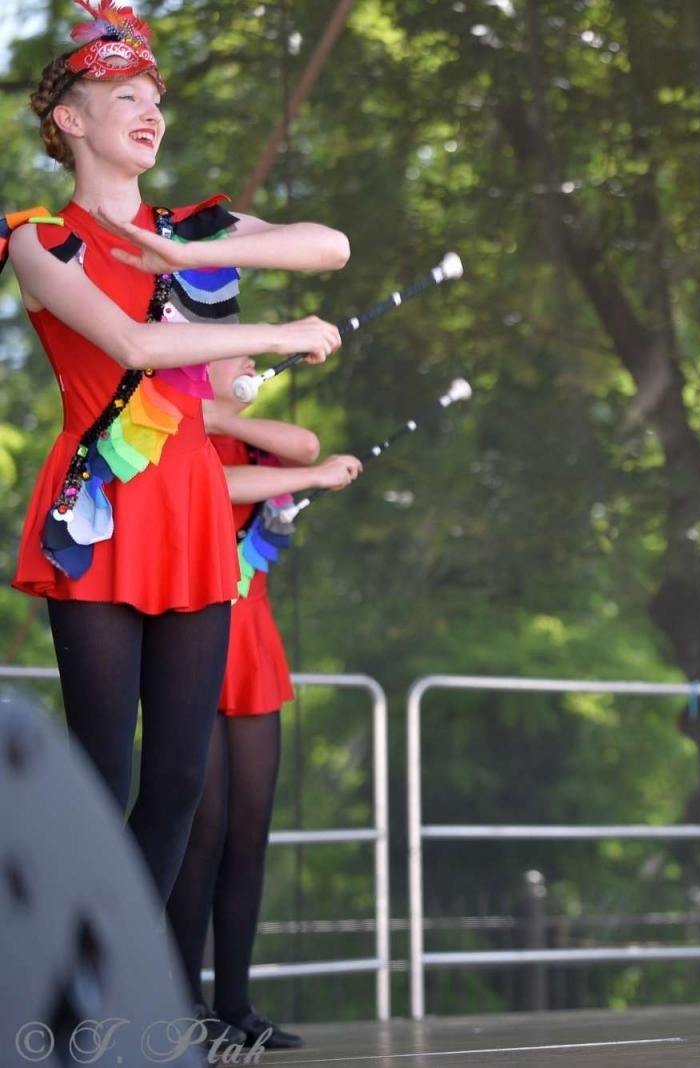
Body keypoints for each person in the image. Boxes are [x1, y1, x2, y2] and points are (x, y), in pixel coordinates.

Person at [3, 0, 347, 905]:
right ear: (69, 120)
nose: (149, 107)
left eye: (156, 94)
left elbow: (330, 246)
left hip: (193, 509)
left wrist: (179, 248)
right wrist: (278, 331)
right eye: (124, 93)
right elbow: (133, 348)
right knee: (102, 775)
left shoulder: (194, 230)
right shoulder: (41, 240)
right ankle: (62, 979)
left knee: (181, 789)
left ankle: (135, 1000)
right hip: (101, 508)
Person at [163, 354, 363, 1050]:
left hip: (253, 639)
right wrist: (310, 475)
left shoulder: (253, 436)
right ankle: (179, 1002)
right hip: (193, 627)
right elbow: (219, 488)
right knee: (203, 828)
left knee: (250, 827)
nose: (251, 362)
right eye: (236, 356)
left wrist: (250, 398)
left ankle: (237, 1004)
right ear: (195, 370)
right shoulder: (171, 430)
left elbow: (304, 444)